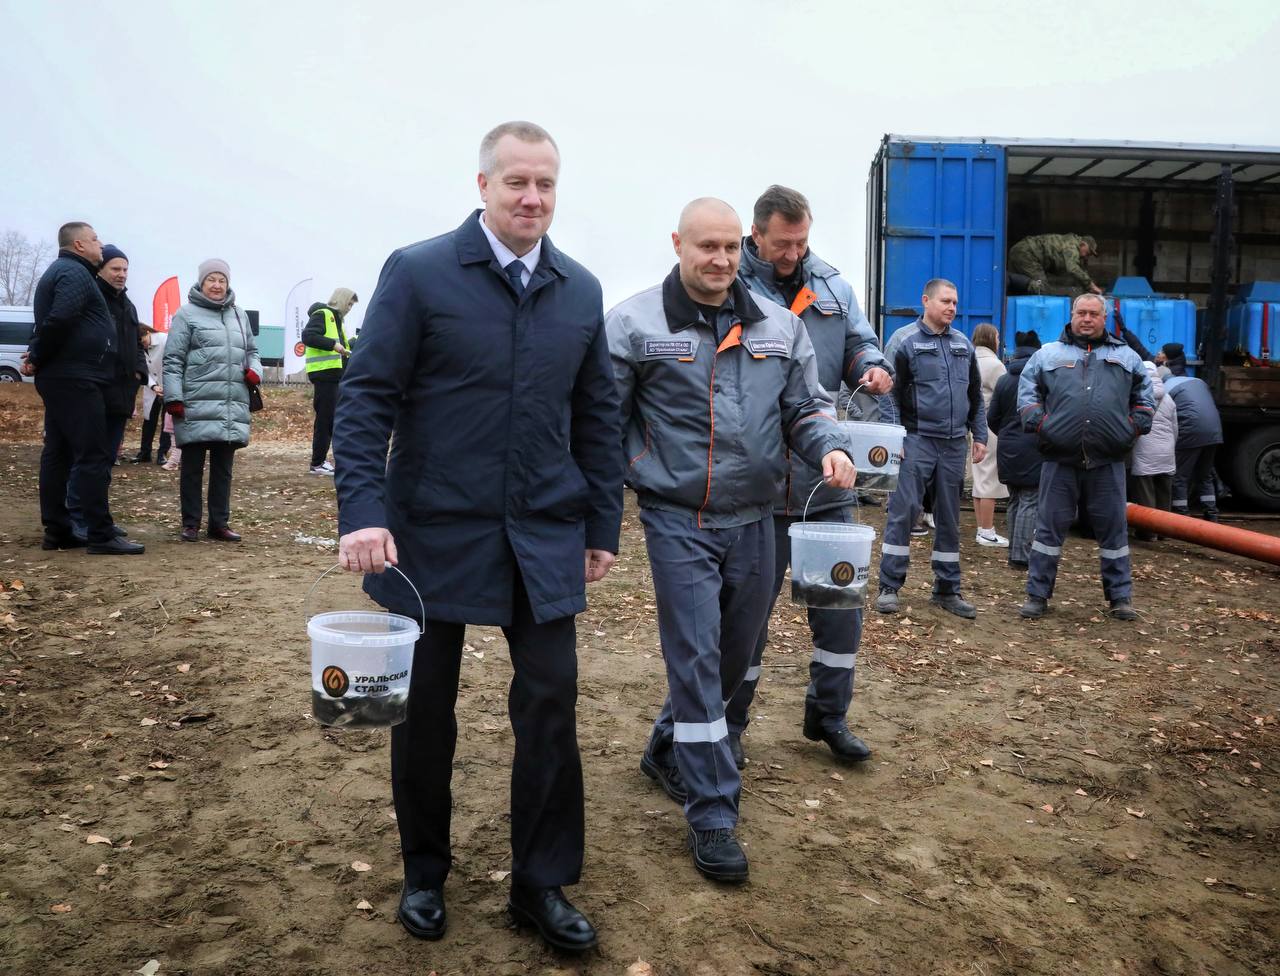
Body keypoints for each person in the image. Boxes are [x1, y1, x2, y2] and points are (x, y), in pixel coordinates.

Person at [332, 122, 623, 953]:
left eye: (546, 185)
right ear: (483, 185)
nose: (533, 199)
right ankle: (425, 870)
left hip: (541, 533)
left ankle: (541, 882)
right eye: (516, 184)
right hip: (428, 533)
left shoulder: (579, 289)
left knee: (551, 702)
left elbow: (597, 415)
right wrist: (363, 512)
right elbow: (366, 399)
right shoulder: (420, 273)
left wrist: (601, 523)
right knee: (423, 713)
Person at [608, 197, 855, 885]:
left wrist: (830, 447)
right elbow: (605, 417)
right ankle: (713, 812)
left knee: (734, 654)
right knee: (696, 656)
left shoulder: (778, 325)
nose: (717, 260)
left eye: (725, 248)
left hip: (756, 518)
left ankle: (665, 748)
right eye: (704, 247)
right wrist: (631, 477)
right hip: (678, 516)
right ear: (678, 244)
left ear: (737, 246)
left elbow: (805, 406)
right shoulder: (633, 324)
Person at [724, 185, 891, 769]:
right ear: (757, 234)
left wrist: (871, 367)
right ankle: (730, 726)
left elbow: (860, 344)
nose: (793, 252)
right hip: (759, 491)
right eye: (782, 243)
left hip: (826, 485)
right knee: (745, 623)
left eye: (801, 241)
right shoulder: (731, 288)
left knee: (839, 606)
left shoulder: (833, 288)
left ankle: (829, 717)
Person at [1016, 293, 1154, 620]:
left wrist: (1131, 428)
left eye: (1094, 313)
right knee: (1048, 532)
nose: (1087, 319)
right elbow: (1027, 394)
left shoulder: (1127, 356)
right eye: (1082, 313)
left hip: (1107, 462)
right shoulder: (1047, 355)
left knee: (1114, 532)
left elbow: (1146, 397)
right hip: (1059, 461)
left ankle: (1120, 598)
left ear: (1104, 318)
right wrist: (1043, 425)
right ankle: (1037, 595)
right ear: (1072, 315)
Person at [23, 222, 143, 555]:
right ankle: (100, 534)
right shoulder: (75, 274)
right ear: (78, 245)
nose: (100, 245)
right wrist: (37, 353)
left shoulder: (64, 271)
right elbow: (60, 318)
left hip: (66, 376)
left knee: (59, 452)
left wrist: (39, 354)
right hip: (76, 378)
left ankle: (59, 529)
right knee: (93, 454)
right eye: (94, 239)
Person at [875, 279, 987, 619]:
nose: (952, 308)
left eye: (955, 302)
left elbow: (975, 395)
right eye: (945, 301)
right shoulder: (904, 341)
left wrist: (979, 435)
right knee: (905, 510)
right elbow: (888, 394)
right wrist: (895, 437)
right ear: (926, 301)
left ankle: (947, 589)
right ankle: (889, 586)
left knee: (950, 518)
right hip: (917, 440)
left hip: (953, 443)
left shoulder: (963, 344)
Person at [162, 259, 261, 543]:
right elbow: (172, 360)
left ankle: (219, 523)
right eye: (211, 280)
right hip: (195, 401)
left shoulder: (239, 315)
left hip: (231, 402)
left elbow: (252, 351)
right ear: (201, 282)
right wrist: (174, 397)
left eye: (222, 280)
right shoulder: (186, 314)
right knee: (192, 467)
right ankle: (190, 523)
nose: (217, 285)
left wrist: (256, 369)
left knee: (223, 469)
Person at [65, 244, 146, 541]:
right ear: (100, 270)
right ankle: (76, 518)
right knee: (88, 459)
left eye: (125, 269)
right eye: (115, 268)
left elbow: (137, 345)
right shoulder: (91, 299)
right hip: (92, 390)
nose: (122, 274)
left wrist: (139, 373)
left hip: (120, 394)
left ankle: (97, 517)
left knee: (106, 460)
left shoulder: (128, 305)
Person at [986, 331, 1043, 568]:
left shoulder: (1004, 378)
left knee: (1015, 499)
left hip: (1007, 445)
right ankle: (1021, 556)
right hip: (1033, 444)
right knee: (1030, 499)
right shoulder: (1040, 379)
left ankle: (1014, 550)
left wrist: (1007, 435)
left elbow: (992, 417)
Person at [302, 287, 358, 475]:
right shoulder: (323, 314)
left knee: (332, 420)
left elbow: (346, 348)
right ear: (340, 299)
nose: (349, 307)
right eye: (348, 303)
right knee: (326, 420)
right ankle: (317, 463)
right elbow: (308, 336)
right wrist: (333, 344)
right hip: (325, 376)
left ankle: (324, 462)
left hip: (336, 377)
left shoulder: (338, 321)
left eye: (352, 305)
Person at [1128, 361, 1178, 540]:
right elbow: (1175, 428)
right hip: (1167, 452)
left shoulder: (1137, 398)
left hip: (1144, 451)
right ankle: (1164, 531)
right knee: (1164, 493)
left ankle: (1148, 532)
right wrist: (1171, 446)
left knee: (1145, 493)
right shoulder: (1169, 398)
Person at [970, 323, 1009, 547]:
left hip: (974, 427)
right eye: (996, 336)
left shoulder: (970, 359)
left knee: (979, 480)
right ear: (990, 338)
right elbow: (1004, 396)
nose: (998, 340)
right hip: (991, 428)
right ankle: (987, 531)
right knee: (989, 482)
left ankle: (981, 528)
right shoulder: (995, 365)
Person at [1164, 374, 1223, 520]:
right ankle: (1211, 513)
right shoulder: (1199, 381)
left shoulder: (1167, 388)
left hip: (1191, 431)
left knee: (1180, 476)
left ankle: (1181, 514)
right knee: (1205, 475)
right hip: (1214, 432)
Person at [1007, 234, 1103, 297]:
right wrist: (1090, 285)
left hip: (1020, 250)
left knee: (1016, 290)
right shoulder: (1072, 246)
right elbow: (1073, 268)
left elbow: (1074, 271)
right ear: (1083, 244)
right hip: (1027, 253)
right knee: (1042, 288)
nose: (1086, 257)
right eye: (1088, 252)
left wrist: (1086, 287)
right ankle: (1009, 277)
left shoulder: (1069, 243)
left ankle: (1010, 278)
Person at [131, 325, 171, 465]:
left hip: (168, 384)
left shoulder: (165, 340)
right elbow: (142, 368)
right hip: (151, 386)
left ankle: (162, 453)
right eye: (139, 342)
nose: (143, 344)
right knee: (149, 420)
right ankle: (144, 452)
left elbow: (173, 362)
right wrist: (153, 385)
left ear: (148, 333)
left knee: (166, 421)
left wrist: (167, 385)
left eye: (143, 340)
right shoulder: (137, 347)